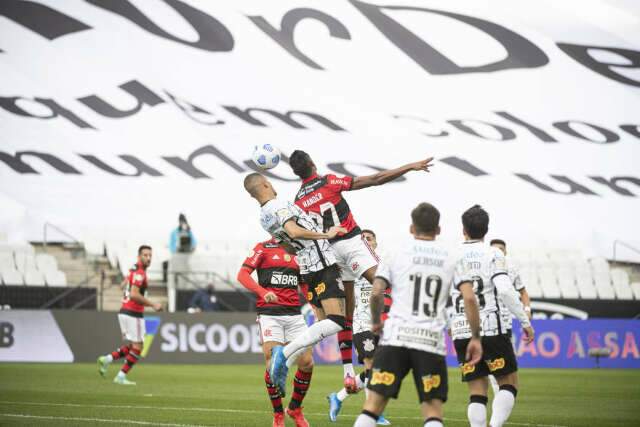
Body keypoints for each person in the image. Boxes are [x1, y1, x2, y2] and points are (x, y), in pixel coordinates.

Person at [289, 150, 434, 391]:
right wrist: (409, 166)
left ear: (296, 173)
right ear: (312, 163)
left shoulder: (298, 202)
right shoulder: (329, 181)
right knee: (382, 282)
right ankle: (418, 319)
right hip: (351, 243)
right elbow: (375, 179)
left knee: (345, 314)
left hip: (329, 251)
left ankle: (347, 372)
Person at [354, 203, 483, 427]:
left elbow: (376, 291)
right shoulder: (452, 255)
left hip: (395, 338)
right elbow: (469, 298)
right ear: (439, 229)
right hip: (429, 341)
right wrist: (475, 337)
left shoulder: (395, 253)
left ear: (412, 228)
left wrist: (375, 322)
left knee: (373, 405)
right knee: (433, 410)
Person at [243, 172, 348, 398]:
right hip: (320, 262)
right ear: (266, 184)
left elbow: (289, 247)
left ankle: (285, 358)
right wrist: (325, 234)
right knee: (338, 321)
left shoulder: (264, 217)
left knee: (323, 323)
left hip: (306, 267)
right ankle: (286, 355)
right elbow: (293, 231)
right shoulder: (278, 205)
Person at [450, 206, 534, 427]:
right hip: (491, 329)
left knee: (477, 391)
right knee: (509, 383)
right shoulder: (493, 253)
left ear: (463, 229)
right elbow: (506, 290)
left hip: (461, 329)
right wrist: (525, 321)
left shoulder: (451, 255)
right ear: (486, 230)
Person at [237, 238, 313, 427]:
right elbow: (242, 274)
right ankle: (278, 413)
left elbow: (303, 284)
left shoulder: (299, 249)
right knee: (272, 365)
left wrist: (315, 304)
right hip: (270, 314)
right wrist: (262, 292)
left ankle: (295, 408)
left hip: (295, 315)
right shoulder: (263, 247)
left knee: (307, 364)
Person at [327, 229, 390, 425]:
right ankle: (372, 412)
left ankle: (338, 397)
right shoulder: (351, 265)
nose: (366, 241)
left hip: (382, 325)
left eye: (369, 238)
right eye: (363, 239)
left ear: (376, 243)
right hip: (362, 324)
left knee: (380, 371)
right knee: (372, 367)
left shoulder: (383, 265)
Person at [97, 245, 163, 385]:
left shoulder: (134, 269)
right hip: (133, 313)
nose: (148, 258)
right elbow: (133, 294)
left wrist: (127, 283)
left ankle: (107, 359)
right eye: (145, 255)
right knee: (138, 348)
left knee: (135, 345)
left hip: (124, 312)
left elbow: (123, 285)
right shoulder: (140, 273)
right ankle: (120, 376)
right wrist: (153, 304)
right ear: (139, 256)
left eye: (150, 255)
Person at [489, 238, 532, 395]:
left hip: (505, 323)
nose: (498, 252)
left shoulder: (512, 269)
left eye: (501, 249)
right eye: (494, 249)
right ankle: (499, 401)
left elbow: (523, 292)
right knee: (496, 371)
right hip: (489, 323)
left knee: (508, 369)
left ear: (506, 252)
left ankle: (502, 399)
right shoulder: (484, 268)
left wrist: (526, 309)